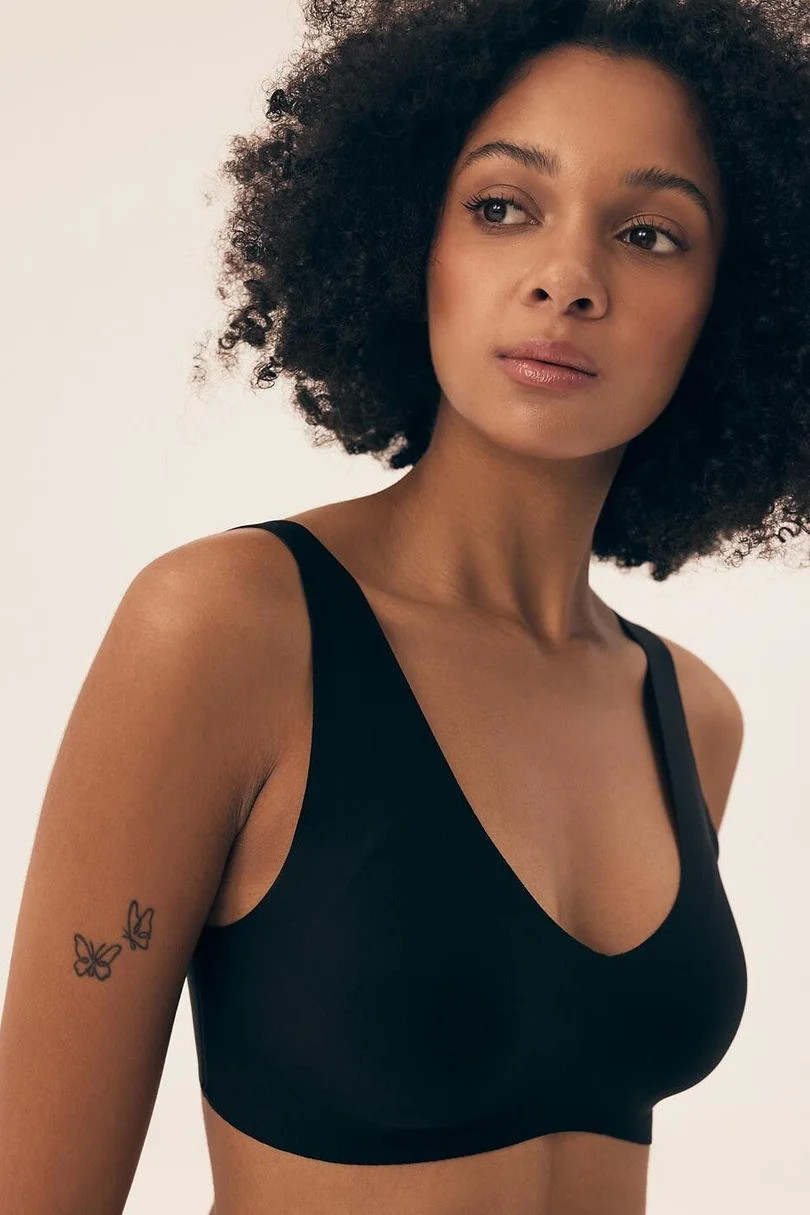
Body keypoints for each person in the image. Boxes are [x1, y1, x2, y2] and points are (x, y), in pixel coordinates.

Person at [2, 1, 808, 1212]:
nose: (567, 279)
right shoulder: (228, 629)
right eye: (503, 207)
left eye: (649, 234)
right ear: (407, 238)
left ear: (735, 301)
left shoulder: (693, 717)